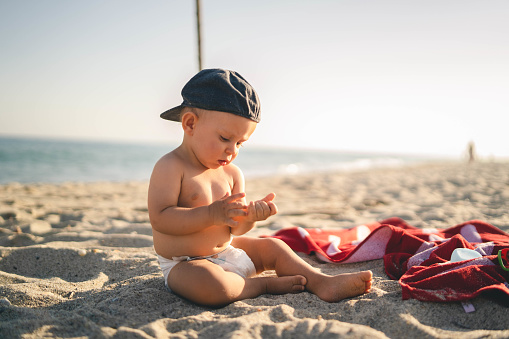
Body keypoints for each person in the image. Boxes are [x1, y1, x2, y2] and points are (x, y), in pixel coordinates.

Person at [148, 68, 372, 307]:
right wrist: (211, 214)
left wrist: (250, 218)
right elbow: (160, 218)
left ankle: (321, 282)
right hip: (186, 264)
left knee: (272, 246)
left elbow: (236, 231)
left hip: (228, 250)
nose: (232, 150)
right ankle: (262, 285)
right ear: (190, 124)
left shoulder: (232, 174)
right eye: (225, 138)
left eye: (240, 143)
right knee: (214, 287)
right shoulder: (171, 166)